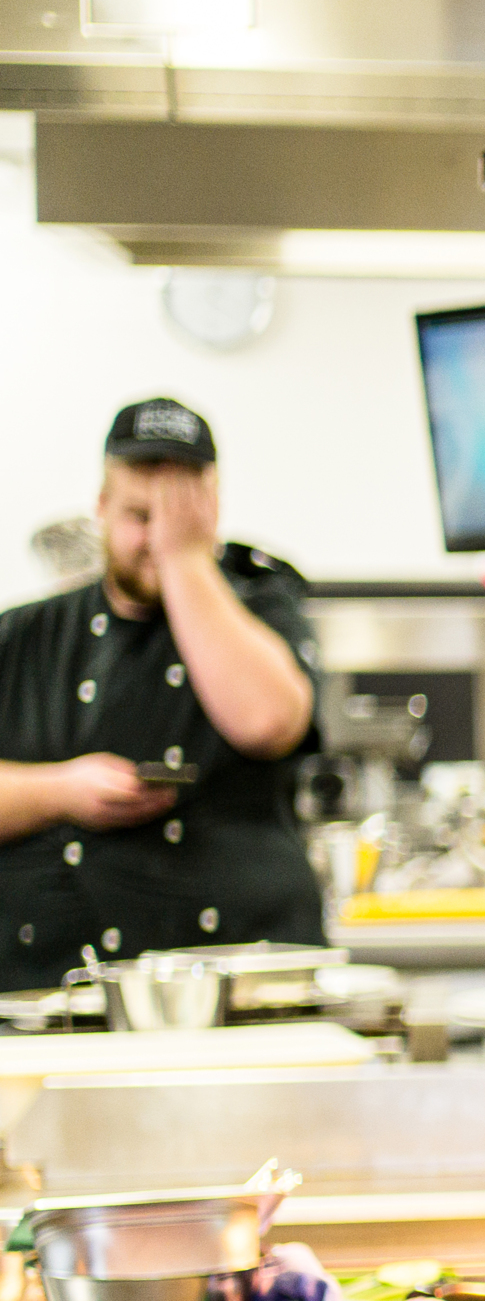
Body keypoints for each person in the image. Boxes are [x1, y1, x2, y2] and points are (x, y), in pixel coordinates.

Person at [0, 398, 324, 976]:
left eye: (179, 517)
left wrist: (187, 562)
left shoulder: (262, 603)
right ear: (100, 506)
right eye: (140, 515)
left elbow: (268, 723)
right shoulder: (27, 632)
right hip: (48, 988)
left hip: (242, 975)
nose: (157, 539)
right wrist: (60, 791)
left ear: (213, 508)